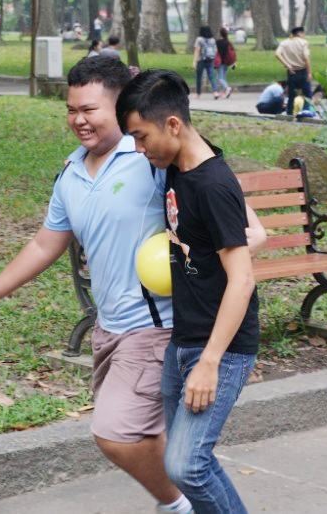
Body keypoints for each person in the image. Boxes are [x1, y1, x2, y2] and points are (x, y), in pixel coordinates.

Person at [0, 56, 265, 514]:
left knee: (121, 435)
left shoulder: (153, 156)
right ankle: (188, 500)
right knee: (175, 450)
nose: (79, 120)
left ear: (120, 108)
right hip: (110, 327)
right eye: (71, 110)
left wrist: (202, 261)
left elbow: (244, 227)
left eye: (90, 109)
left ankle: (178, 505)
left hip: (157, 327)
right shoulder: (72, 172)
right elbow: (45, 243)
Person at [117, 69, 259, 514]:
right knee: (185, 458)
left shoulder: (213, 184)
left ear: (173, 124)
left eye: (141, 137)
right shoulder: (179, 166)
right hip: (183, 339)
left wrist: (210, 363)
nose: (139, 149)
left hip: (220, 349)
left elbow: (243, 279)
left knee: (187, 466)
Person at [275, 26, 312, 115]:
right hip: (303, 71)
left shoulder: (284, 43)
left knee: (291, 95)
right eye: (303, 33)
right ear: (300, 33)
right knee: (307, 94)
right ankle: (305, 112)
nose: (304, 35)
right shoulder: (304, 43)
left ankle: (289, 113)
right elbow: (306, 58)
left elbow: (277, 54)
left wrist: (287, 65)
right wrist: (309, 72)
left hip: (291, 72)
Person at [193, 25, 219, 99]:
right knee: (212, 77)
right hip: (210, 59)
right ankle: (215, 92)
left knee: (199, 77)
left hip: (201, 60)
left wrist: (194, 61)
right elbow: (216, 50)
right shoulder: (212, 40)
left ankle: (198, 94)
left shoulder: (199, 39)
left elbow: (197, 50)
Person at [214, 28, 236, 99]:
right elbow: (232, 53)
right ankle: (226, 92)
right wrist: (233, 62)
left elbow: (216, 52)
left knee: (220, 78)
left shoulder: (218, 42)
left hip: (220, 62)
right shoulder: (228, 42)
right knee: (223, 77)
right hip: (227, 62)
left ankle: (227, 88)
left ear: (220, 34)